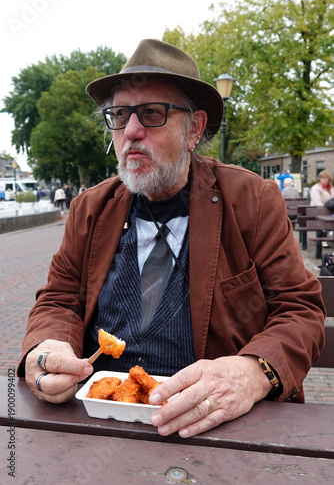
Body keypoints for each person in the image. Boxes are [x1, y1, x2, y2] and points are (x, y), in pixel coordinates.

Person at [18, 39, 325, 439]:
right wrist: (47, 348)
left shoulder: (251, 201)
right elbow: (58, 300)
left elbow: (300, 309)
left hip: (215, 429)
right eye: (120, 114)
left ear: (194, 127)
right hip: (100, 421)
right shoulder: (89, 209)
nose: (131, 131)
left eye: (151, 113)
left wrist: (251, 372)